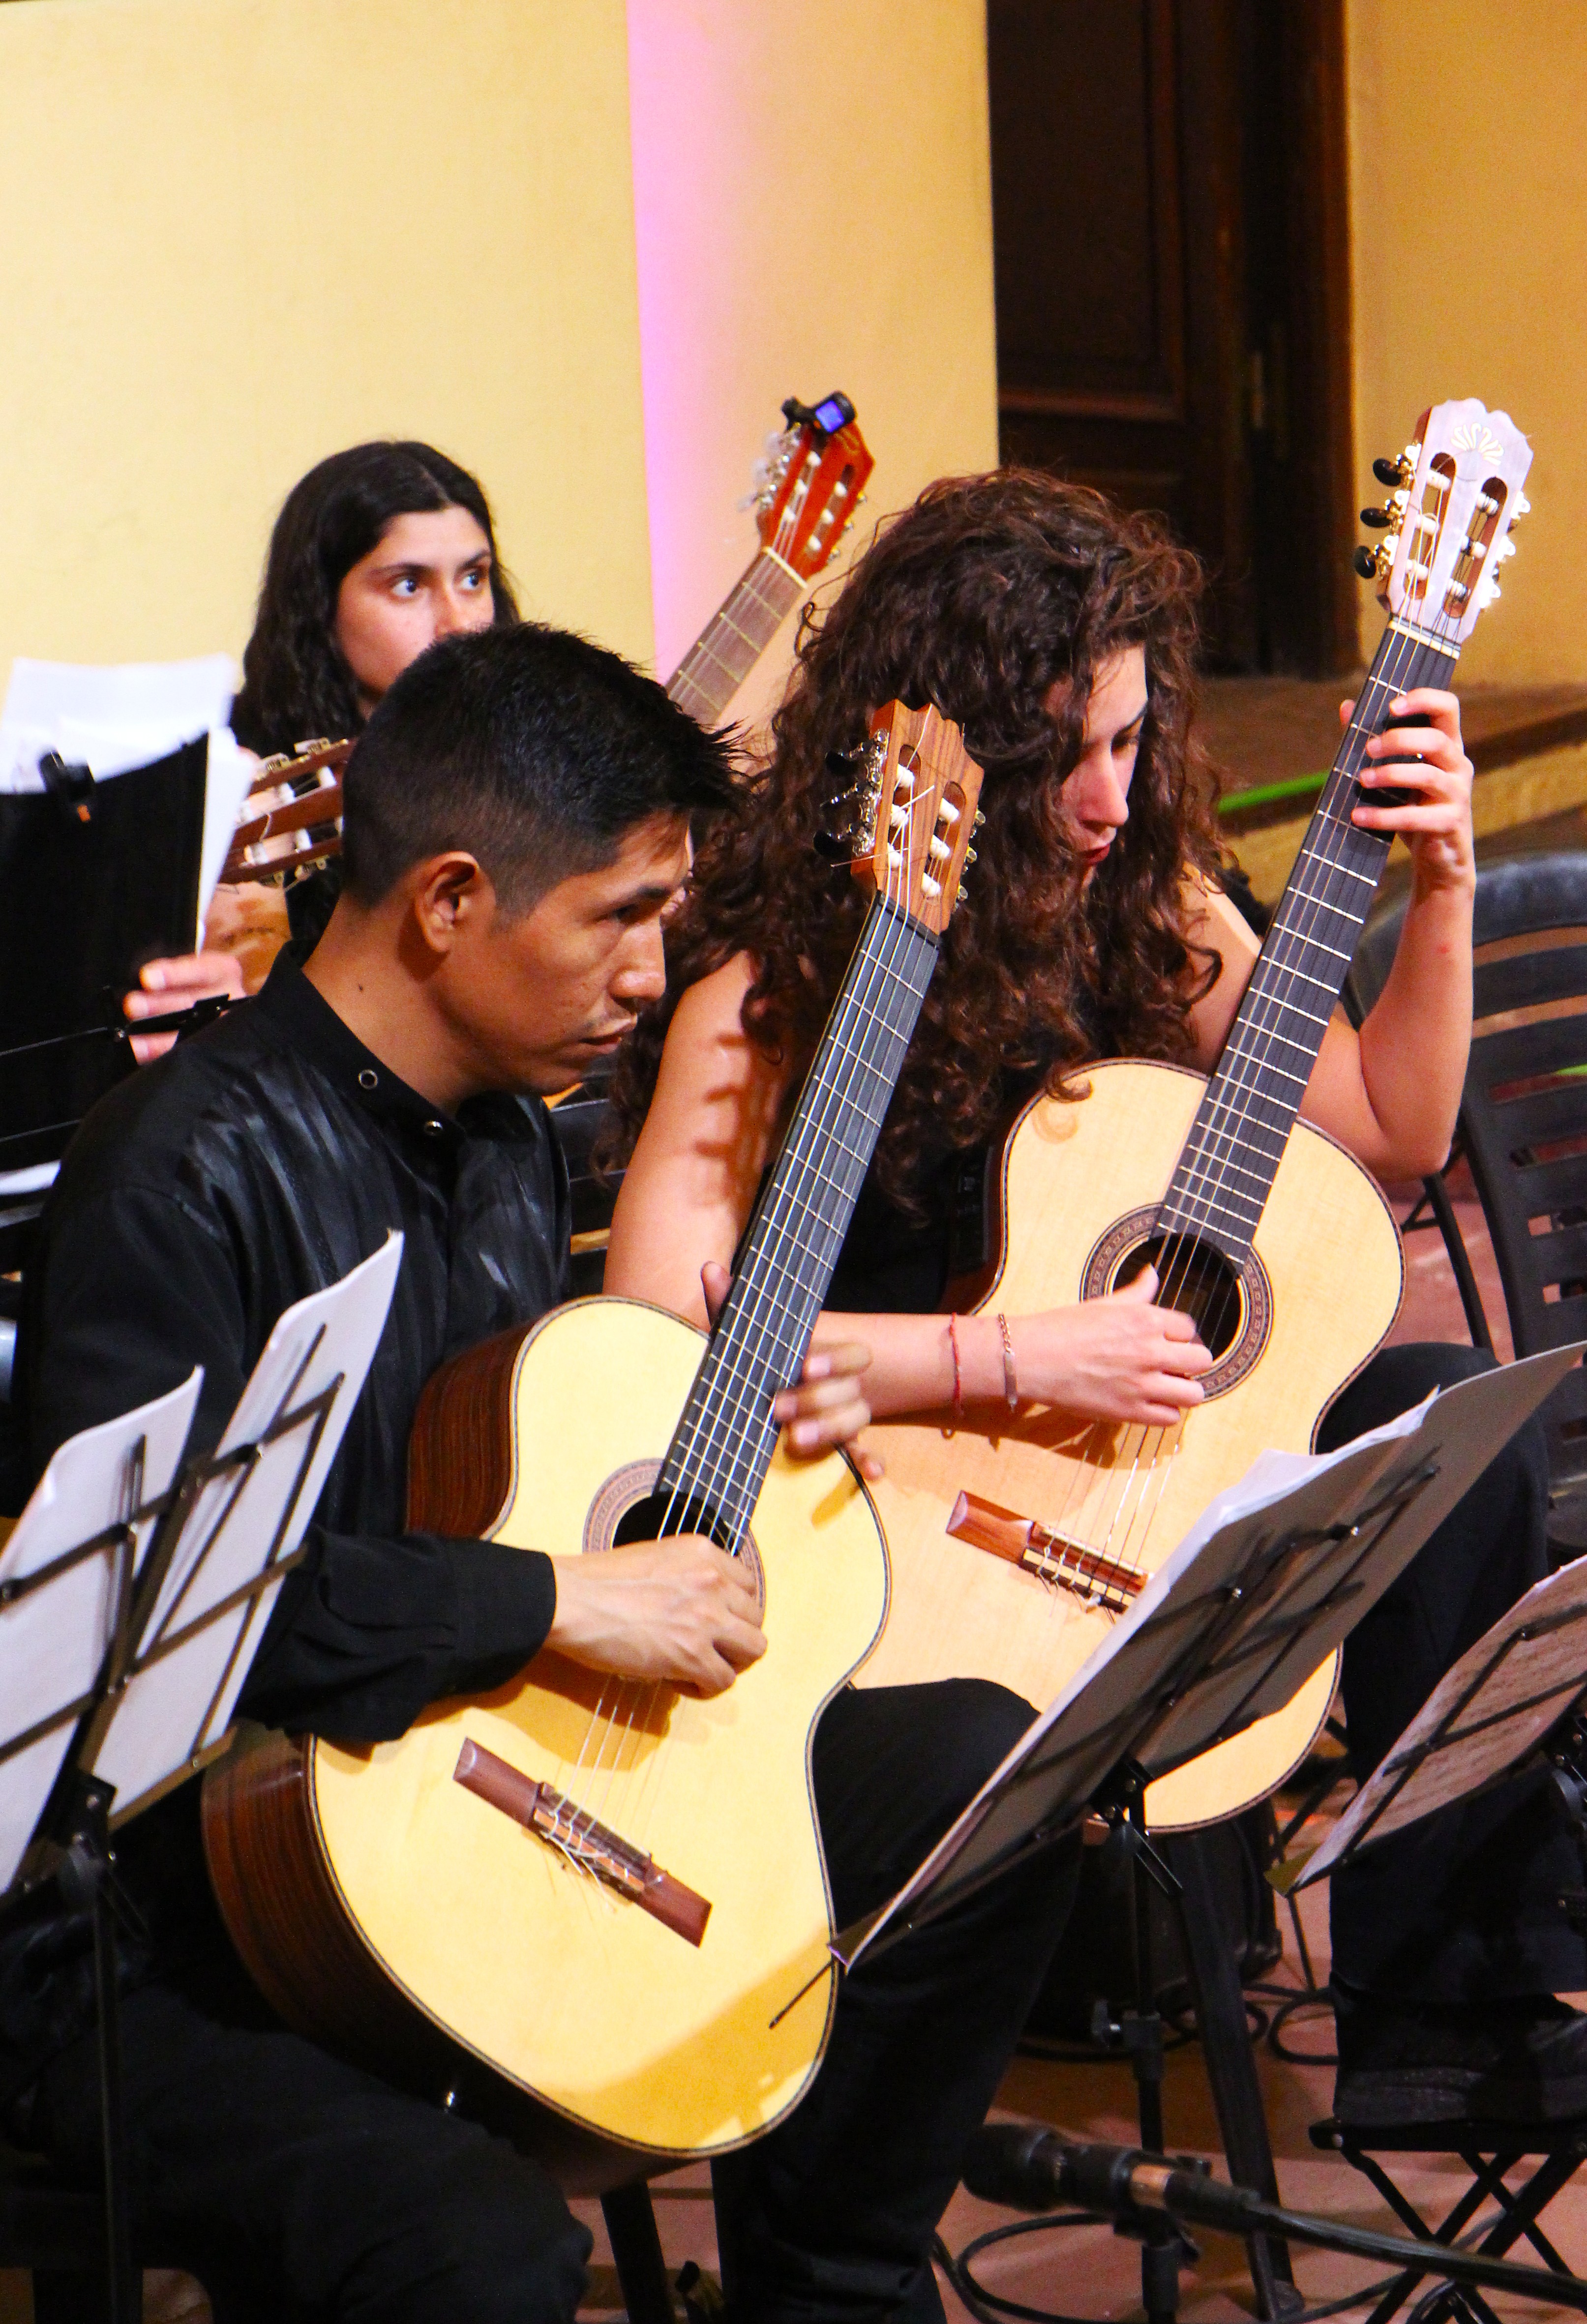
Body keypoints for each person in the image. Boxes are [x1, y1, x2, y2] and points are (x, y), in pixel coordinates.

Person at [7, 619, 1075, 2324]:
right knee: (480, 2242)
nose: (651, 978)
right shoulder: (177, 1174)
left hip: (468, 1781)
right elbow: (164, 1625)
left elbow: (510, 1453)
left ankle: (828, 2283)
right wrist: (566, 1596)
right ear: (444, 901)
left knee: (976, 1765)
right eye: (623, 918)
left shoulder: (507, 1130)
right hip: (178, 1924)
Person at [603, 468, 1587, 2130]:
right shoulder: (771, 985)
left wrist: (1437, 889)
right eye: (1056, 754)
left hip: (1142, 1469)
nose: (1103, 799)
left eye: (1130, 742)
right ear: (933, 740)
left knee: (1450, 1428)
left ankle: (1437, 2012)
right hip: (915, 1525)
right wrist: (1005, 1349)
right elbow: (649, 1347)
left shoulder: (1152, 903)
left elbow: (1394, 1128)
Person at [126, 439, 516, 1057]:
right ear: (320, 606)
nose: (458, 622)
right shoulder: (237, 772)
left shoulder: (527, 752)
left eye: (474, 578)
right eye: (409, 585)